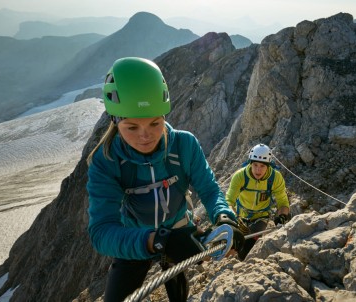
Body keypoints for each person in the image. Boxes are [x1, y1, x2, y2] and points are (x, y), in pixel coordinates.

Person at [86, 57, 244, 302]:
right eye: (132, 127)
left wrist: (224, 216)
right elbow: (101, 232)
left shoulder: (184, 144)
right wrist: (155, 241)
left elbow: (209, 189)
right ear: (115, 122)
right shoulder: (106, 160)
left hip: (179, 229)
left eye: (155, 122)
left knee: (178, 291)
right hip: (135, 238)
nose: (145, 136)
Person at [225, 143, 290, 260]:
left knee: (248, 246)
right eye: (255, 165)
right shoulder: (240, 176)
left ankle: (243, 264)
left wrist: (282, 216)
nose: (258, 170)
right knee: (236, 244)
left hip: (261, 216)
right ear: (250, 163)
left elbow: (283, 202)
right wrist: (234, 219)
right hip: (241, 216)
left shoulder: (275, 178)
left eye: (262, 166)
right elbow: (229, 201)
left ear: (268, 166)